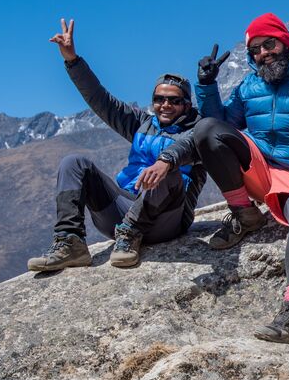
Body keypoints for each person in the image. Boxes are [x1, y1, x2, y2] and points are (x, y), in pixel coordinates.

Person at [166, 12, 289, 343]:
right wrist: (206, 86)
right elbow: (220, 127)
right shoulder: (249, 85)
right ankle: (244, 213)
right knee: (206, 129)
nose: (264, 54)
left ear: (286, 41)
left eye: (270, 44)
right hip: (262, 169)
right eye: (256, 50)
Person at [28, 19, 206, 271]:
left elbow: (212, 137)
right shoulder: (141, 124)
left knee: (167, 168)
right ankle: (71, 243)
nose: (165, 105)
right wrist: (72, 60)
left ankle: (132, 233)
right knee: (74, 163)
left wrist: (164, 163)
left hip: (167, 219)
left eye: (174, 100)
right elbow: (101, 100)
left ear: (187, 105)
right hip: (122, 210)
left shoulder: (199, 132)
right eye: (159, 99)